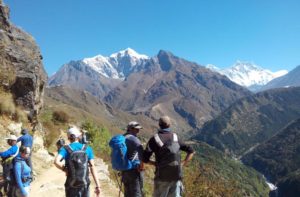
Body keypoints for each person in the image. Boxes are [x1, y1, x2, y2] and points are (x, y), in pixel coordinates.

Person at [143, 116, 195, 197]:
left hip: (161, 177)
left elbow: (145, 159)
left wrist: (154, 163)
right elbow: (191, 151)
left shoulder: (154, 139)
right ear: (169, 125)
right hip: (176, 175)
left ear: (159, 125)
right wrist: (183, 163)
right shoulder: (176, 137)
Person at [54, 126, 101, 197]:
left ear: (69, 138)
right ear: (78, 136)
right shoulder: (87, 148)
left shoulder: (65, 149)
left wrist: (65, 169)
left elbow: (56, 161)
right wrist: (98, 186)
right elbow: (92, 167)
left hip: (71, 184)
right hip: (84, 184)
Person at [121, 121, 145, 197]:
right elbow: (142, 155)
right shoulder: (134, 139)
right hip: (134, 170)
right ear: (131, 129)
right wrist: (141, 167)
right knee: (136, 193)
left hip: (124, 170)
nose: (138, 131)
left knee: (127, 193)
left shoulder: (122, 137)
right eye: (136, 129)